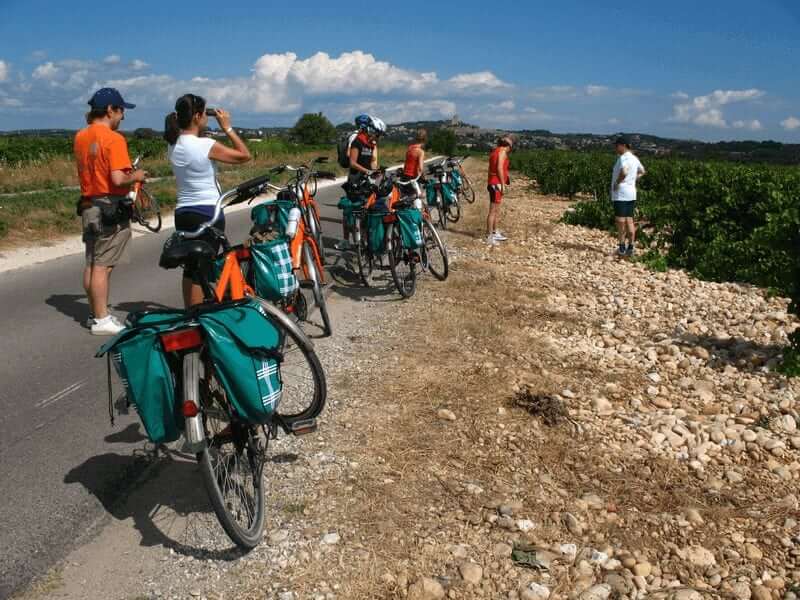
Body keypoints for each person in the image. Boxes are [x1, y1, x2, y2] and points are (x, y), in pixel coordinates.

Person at [164, 94, 251, 307]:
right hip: (207, 212)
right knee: (201, 268)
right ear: (196, 116)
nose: (206, 117)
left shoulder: (173, 144)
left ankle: (191, 311)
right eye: (204, 114)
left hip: (183, 213)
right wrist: (227, 127)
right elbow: (244, 155)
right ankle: (198, 314)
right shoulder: (205, 145)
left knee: (191, 268)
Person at [74, 87, 146, 335]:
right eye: (121, 110)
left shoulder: (81, 136)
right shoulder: (114, 139)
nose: (122, 116)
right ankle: (102, 320)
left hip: (89, 203)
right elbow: (117, 178)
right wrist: (137, 175)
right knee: (103, 265)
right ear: (110, 110)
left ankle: (96, 313)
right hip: (109, 206)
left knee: (92, 261)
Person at [336, 114, 386, 251]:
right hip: (355, 179)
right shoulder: (357, 140)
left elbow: (372, 161)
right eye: (378, 134)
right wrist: (367, 171)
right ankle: (346, 240)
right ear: (370, 129)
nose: (378, 138)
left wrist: (376, 173)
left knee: (367, 208)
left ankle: (364, 239)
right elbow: (352, 162)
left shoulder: (371, 143)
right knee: (349, 210)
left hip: (366, 179)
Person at [611, 135, 646, 257]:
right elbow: (642, 171)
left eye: (617, 146)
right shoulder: (635, 158)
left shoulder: (623, 158)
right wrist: (633, 179)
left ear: (623, 146)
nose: (615, 148)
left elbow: (624, 171)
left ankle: (621, 248)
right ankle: (631, 247)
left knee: (620, 221)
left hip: (621, 193)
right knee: (630, 220)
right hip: (631, 193)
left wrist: (617, 183)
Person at [486, 135, 513, 246]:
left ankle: (494, 232)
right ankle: (489, 236)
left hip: (493, 182)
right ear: (508, 145)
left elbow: (491, 169)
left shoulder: (495, 151)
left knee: (496, 210)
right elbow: (499, 168)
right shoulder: (502, 152)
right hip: (496, 183)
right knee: (493, 211)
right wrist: (502, 184)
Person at [401, 128, 427, 199]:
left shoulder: (409, 148)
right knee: (420, 197)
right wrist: (424, 177)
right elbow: (420, 168)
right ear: (425, 139)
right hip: (413, 178)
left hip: (404, 176)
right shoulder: (420, 151)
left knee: (407, 197)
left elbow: (407, 162)